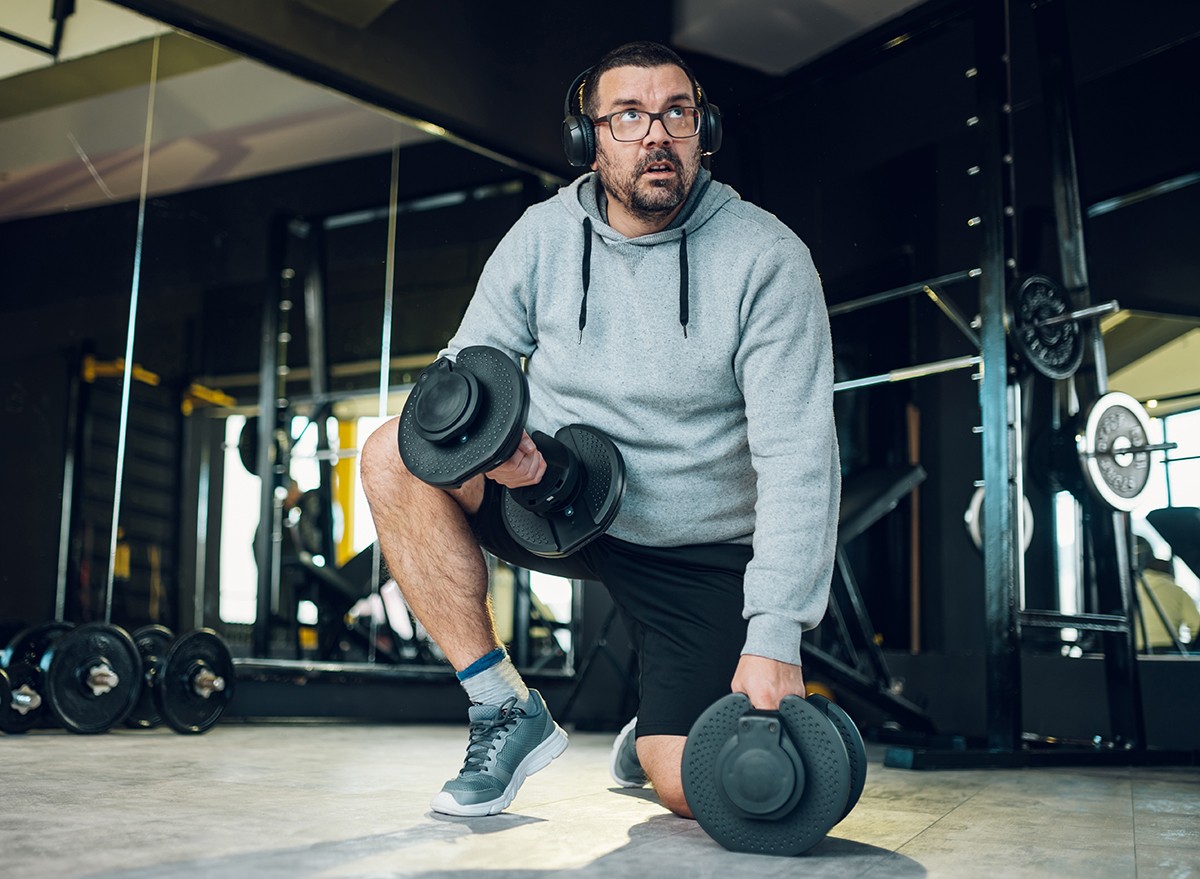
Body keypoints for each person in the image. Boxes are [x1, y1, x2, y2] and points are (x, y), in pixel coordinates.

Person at [360, 40, 840, 819]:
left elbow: (798, 457)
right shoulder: (542, 238)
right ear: (589, 141)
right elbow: (456, 383)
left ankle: (654, 738)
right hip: (554, 493)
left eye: (675, 113)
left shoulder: (767, 258)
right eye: (628, 117)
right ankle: (503, 707)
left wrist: (776, 631)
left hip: (700, 549)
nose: (656, 134)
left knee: (696, 790)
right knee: (392, 453)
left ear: (702, 130)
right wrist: (497, 452)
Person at [1134, 536, 1200, 652]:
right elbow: (1197, 625)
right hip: (1167, 651)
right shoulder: (1177, 591)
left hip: (1135, 651)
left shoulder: (1134, 588)